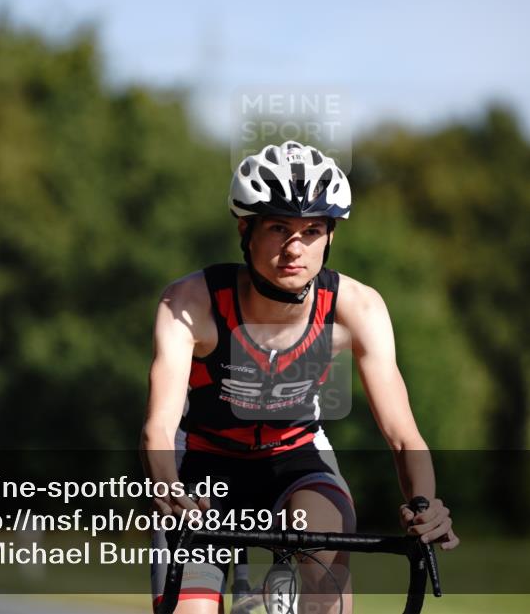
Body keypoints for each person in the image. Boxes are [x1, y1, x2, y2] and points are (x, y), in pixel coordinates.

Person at [141, 141, 458, 614]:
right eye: (278, 227)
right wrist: (166, 486)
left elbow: (402, 434)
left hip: (296, 458)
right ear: (245, 231)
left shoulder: (358, 308)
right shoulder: (190, 303)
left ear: (330, 236)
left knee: (325, 566)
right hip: (202, 467)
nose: (295, 247)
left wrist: (424, 502)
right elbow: (157, 429)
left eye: (312, 230)